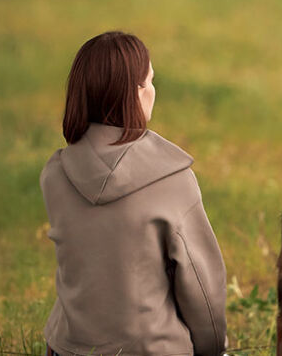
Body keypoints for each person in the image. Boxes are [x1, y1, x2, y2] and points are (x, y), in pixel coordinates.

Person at [40, 31, 227, 355]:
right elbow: (202, 288)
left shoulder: (55, 175)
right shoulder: (172, 180)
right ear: (137, 93)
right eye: (150, 81)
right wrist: (214, 350)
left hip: (67, 349)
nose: (153, 90)